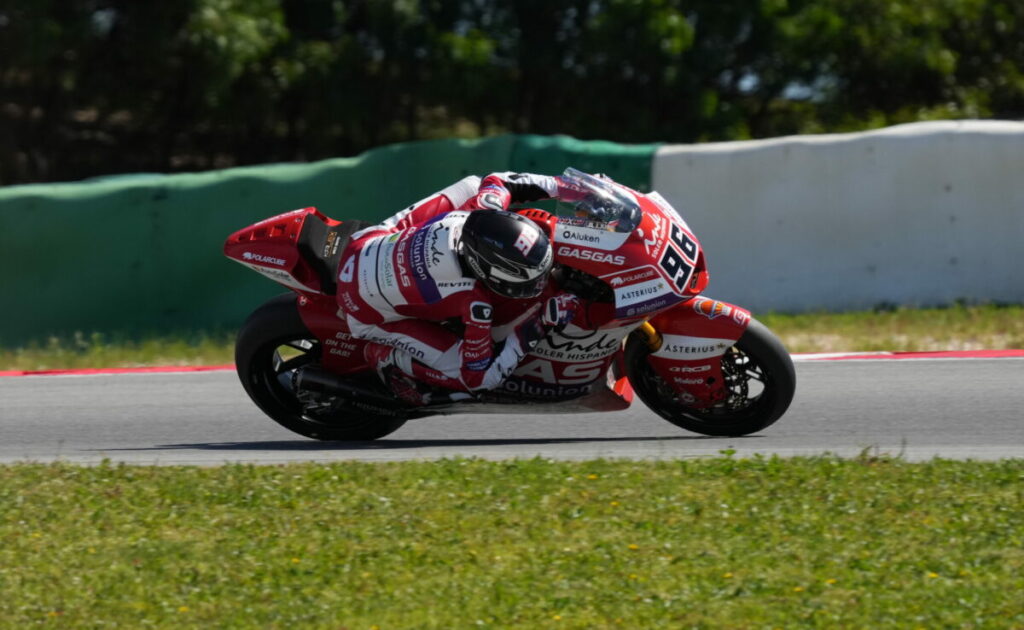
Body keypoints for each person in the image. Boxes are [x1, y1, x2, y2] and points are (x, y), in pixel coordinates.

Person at [335, 172, 581, 405]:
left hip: (364, 243)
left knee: (474, 185)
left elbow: (500, 181)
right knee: (478, 382)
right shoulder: (475, 303)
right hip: (364, 311)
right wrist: (541, 322)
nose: (537, 285)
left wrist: (569, 187)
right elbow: (477, 374)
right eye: (527, 282)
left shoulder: (477, 211)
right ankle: (388, 358)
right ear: (485, 272)